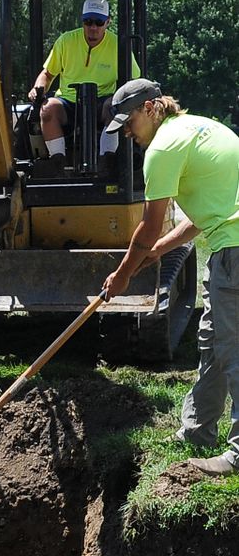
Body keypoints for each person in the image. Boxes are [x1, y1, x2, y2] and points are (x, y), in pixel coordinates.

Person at [102, 78, 239, 477]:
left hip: (234, 250)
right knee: (214, 338)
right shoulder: (199, 127)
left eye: (128, 123)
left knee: (234, 350)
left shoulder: (162, 148)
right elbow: (202, 216)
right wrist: (157, 252)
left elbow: (148, 225)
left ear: (149, 109)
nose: (126, 132)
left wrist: (123, 275)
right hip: (228, 243)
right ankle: (198, 429)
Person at [28, 0, 140, 170]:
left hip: (102, 102)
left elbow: (134, 80)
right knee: (47, 108)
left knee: (115, 106)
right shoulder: (66, 41)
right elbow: (47, 74)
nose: (93, 28)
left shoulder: (119, 45)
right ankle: (57, 162)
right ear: (82, 21)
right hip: (68, 102)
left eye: (99, 22)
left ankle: (107, 161)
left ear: (108, 22)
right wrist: (38, 88)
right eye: (88, 22)